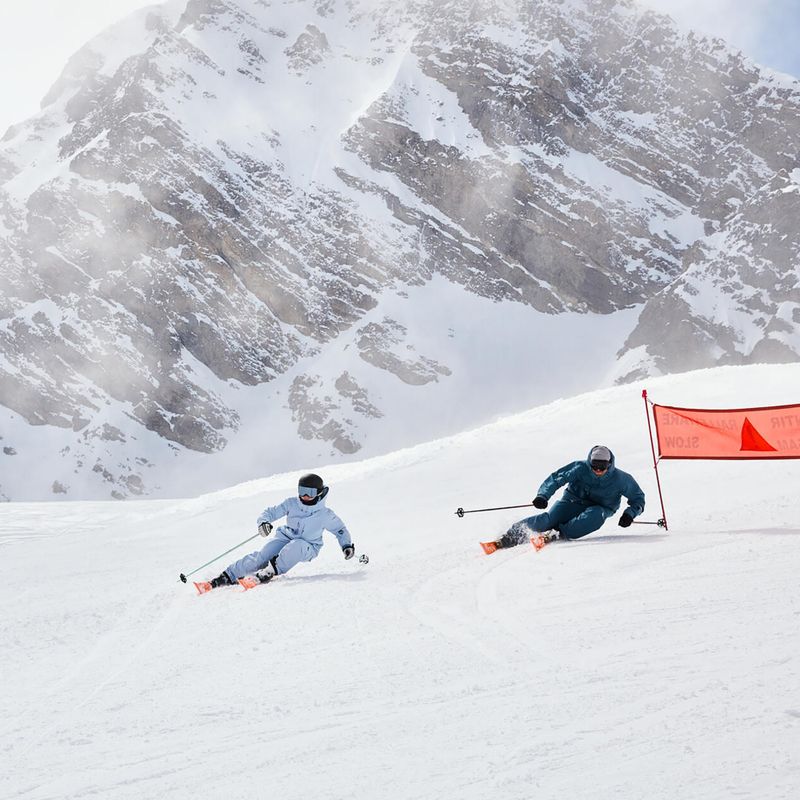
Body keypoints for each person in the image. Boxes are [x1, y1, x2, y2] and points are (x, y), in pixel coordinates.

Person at [202, 473, 354, 590]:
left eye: (310, 493)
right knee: (262, 556)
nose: (305, 496)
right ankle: (226, 576)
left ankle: (269, 571)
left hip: (308, 546)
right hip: (285, 537)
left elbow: (340, 530)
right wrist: (264, 522)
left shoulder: (325, 515)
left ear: (319, 493)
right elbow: (270, 512)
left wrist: (346, 545)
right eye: (302, 491)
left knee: (297, 545)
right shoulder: (292, 503)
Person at [494, 445, 645, 550]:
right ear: (589, 462)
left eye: (602, 466)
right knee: (547, 519)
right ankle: (509, 536)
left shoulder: (621, 479)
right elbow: (557, 478)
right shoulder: (580, 468)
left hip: (600, 508)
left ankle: (560, 532)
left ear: (610, 464)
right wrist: (543, 495)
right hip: (572, 501)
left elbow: (638, 498)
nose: (598, 470)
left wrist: (629, 514)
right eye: (594, 466)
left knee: (595, 515)